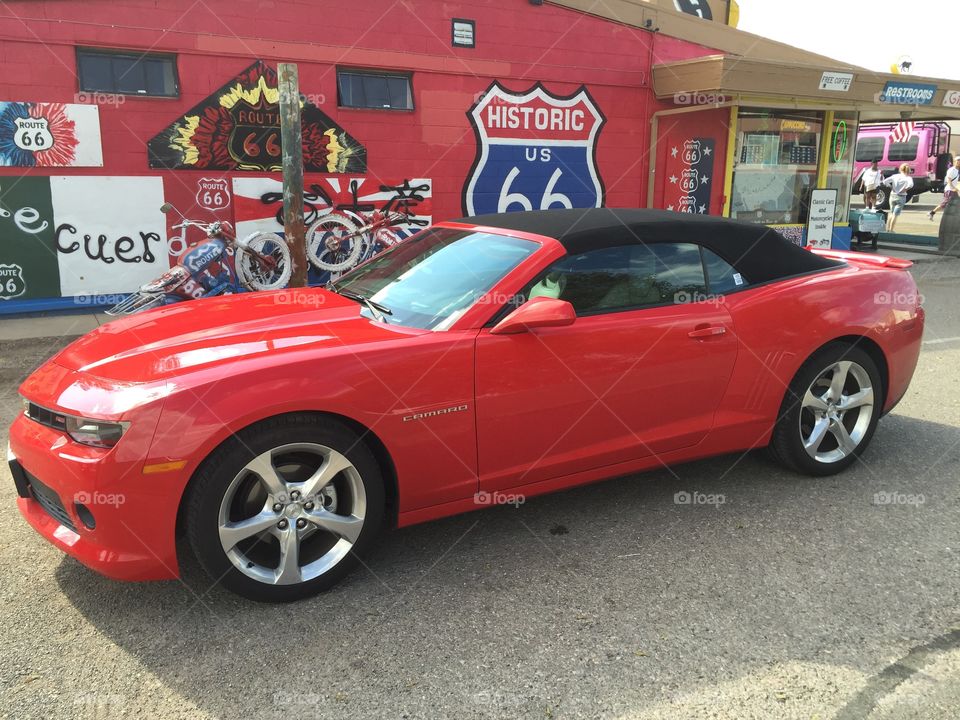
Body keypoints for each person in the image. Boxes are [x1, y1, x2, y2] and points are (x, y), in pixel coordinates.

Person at [882, 163, 914, 232]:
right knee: (895, 215)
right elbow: (911, 185)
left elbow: (885, 181)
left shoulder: (895, 176)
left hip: (892, 195)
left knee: (891, 212)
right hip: (901, 196)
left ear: (900, 169)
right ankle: (891, 229)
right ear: (908, 170)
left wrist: (890, 187)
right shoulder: (908, 178)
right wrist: (904, 189)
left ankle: (887, 229)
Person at [929, 155, 960, 220]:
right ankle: (932, 212)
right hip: (949, 190)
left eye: (959, 161)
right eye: (958, 160)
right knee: (945, 203)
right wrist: (953, 188)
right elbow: (948, 180)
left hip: (954, 190)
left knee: (954, 202)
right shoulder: (951, 170)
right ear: (954, 162)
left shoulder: (957, 170)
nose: (959, 162)